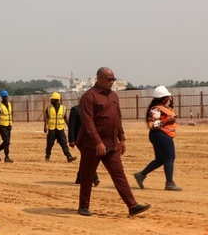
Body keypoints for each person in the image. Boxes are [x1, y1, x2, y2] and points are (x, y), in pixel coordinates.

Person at [76, 67, 150, 217]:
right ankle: (83, 206)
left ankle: (132, 206)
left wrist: (122, 138)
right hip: (92, 145)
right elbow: (88, 122)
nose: (112, 82)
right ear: (99, 78)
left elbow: (117, 118)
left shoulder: (113, 96)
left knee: (119, 174)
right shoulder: (89, 97)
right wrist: (97, 142)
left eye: (113, 79)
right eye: (109, 79)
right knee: (87, 176)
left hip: (112, 143)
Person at [134, 86, 182, 191]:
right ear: (162, 98)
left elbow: (165, 116)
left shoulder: (162, 107)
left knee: (160, 160)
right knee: (169, 159)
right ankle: (169, 183)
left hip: (160, 135)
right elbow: (153, 125)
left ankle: (141, 175)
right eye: (167, 97)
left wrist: (171, 106)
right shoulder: (156, 109)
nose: (169, 98)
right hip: (161, 135)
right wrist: (166, 122)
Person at [68, 102, 100, 186]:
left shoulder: (92, 110)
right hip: (79, 138)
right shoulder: (75, 109)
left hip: (90, 137)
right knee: (88, 157)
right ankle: (95, 178)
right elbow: (71, 125)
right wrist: (71, 140)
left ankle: (79, 178)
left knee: (85, 157)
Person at [44, 92, 77, 162]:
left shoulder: (63, 108)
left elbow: (65, 118)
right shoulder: (48, 108)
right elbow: (46, 118)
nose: (51, 100)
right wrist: (45, 127)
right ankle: (47, 156)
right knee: (50, 143)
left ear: (56, 100)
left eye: (52, 99)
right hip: (52, 129)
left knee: (64, 143)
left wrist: (70, 126)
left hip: (60, 129)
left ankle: (69, 157)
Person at [0, 90, 13, 162]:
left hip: (9, 125)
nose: (5, 98)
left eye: (6, 96)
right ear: (1, 97)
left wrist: (11, 124)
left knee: (7, 142)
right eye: (4, 97)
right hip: (2, 125)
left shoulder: (9, 104)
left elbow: (10, 115)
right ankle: (6, 157)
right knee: (6, 141)